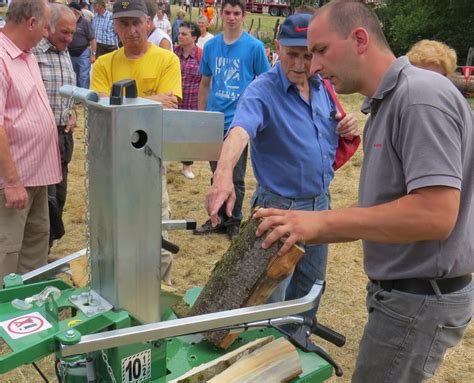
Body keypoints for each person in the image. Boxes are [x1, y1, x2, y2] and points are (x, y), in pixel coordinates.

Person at [255, 2, 473, 382]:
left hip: (418, 298)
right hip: (406, 294)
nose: (314, 66)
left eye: (321, 51)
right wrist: (309, 226)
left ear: (359, 39)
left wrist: (321, 220)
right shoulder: (391, 102)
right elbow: (383, 208)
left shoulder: (419, 97)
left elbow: (435, 214)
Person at [205, 13, 358, 324]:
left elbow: (329, 130)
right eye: (292, 55)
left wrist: (346, 126)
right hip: (279, 210)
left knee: (311, 287)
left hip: (320, 206)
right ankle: (268, 355)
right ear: (276, 47)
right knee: (270, 297)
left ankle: (299, 341)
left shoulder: (321, 86)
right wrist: (222, 177)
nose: (300, 65)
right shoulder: (262, 90)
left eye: (308, 55)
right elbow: (239, 131)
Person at [90, 0, 182, 284]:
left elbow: (170, 106)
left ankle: (161, 293)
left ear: (149, 22)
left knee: (156, 235)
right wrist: (151, 99)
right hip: (113, 163)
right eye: (123, 23)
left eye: (136, 22)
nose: (130, 30)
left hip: (151, 162)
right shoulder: (104, 64)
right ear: (114, 26)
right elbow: (100, 109)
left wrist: (120, 102)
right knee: (115, 235)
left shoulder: (167, 60)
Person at [194, 0, 270, 240]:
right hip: (214, 119)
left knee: (235, 175)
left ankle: (233, 220)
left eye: (237, 13)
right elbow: (205, 83)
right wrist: (202, 116)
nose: (232, 17)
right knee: (217, 172)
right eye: (227, 12)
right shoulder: (211, 46)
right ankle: (217, 217)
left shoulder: (254, 47)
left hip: (239, 123)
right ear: (220, 14)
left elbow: (266, 82)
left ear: (244, 16)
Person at [0, 0, 61, 282]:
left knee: (35, 247)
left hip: (37, 175)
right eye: (46, 26)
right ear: (32, 23)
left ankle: (31, 316)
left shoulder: (26, 55)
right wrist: (11, 182)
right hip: (13, 181)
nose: (48, 33)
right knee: (7, 251)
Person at [32, 3, 77, 250]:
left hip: (63, 137)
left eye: (72, 32)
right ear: (47, 28)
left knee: (58, 198)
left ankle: (45, 250)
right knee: (43, 203)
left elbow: (63, 91)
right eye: (65, 33)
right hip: (40, 139)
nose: (70, 39)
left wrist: (71, 114)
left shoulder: (64, 51)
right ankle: (37, 256)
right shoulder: (33, 52)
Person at [175, 21, 202, 180]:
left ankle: (186, 166)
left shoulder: (201, 55)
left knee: (188, 136)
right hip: (174, 101)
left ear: (194, 37)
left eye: (184, 34)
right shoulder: (173, 53)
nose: (180, 36)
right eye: (179, 33)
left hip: (191, 103)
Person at [67, 1, 96, 89]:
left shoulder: (85, 23)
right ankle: (76, 95)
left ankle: (83, 97)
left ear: (76, 12)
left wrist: (93, 55)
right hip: (70, 53)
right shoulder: (67, 22)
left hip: (83, 52)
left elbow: (92, 39)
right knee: (73, 75)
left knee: (83, 76)